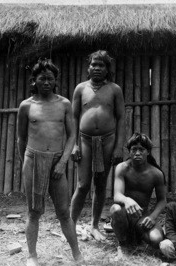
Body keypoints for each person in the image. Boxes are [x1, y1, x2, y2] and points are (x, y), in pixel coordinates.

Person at [17, 59, 83, 266]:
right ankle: (32, 256)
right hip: (33, 159)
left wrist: (62, 162)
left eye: (50, 78)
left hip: (57, 161)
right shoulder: (26, 106)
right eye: (41, 78)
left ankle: (77, 254)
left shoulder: (64, 104)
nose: (46, 82)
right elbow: (21, 139)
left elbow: (72, 135)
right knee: (34, 211)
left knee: (64, 212)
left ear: (55, 81)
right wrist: (27, 164)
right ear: (34, 81)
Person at [70, 50, 125, 241]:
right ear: (88, 67)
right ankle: (70, 225)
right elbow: (74, 117)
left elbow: (121, 118)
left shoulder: (114, 89)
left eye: (101, 65)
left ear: (107, 69)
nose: (97, 68)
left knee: (100, 184)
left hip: (107, 141)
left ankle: (94, 226)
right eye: (94, 64)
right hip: (84, 141)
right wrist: (73, 145)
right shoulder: (80, 89)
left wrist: (118, 146)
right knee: (83, 184)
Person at [110, 133, 166, 260]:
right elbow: (117, 195)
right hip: (124, 213)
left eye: (141, 149)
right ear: (129, 152)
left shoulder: (156, 173)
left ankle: (136, 235)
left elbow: (162, 200)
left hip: (142, 216)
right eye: (134, 149)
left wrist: (152, 217)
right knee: (115, 209)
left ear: (148, 152)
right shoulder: (122, 168)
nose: (137, 153)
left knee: (157, 240)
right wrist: (127, 200)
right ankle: (123, 244)